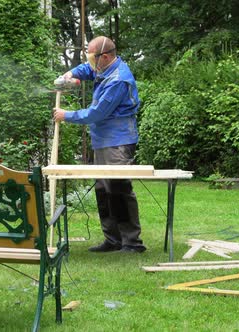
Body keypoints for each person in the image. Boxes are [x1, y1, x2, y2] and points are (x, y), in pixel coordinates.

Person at [53, 36, 146, 253]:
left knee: (119, 190)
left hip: (118, 141)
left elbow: (98, 113)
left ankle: (132, 243)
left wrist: (67, 115)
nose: (90, 62)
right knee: (103, 190)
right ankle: (112, 240)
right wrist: (70, 74)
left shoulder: (118, 80)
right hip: (103, 140)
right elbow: (86, 69)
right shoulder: (102, 67)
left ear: (104, 57)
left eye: (92, 57)